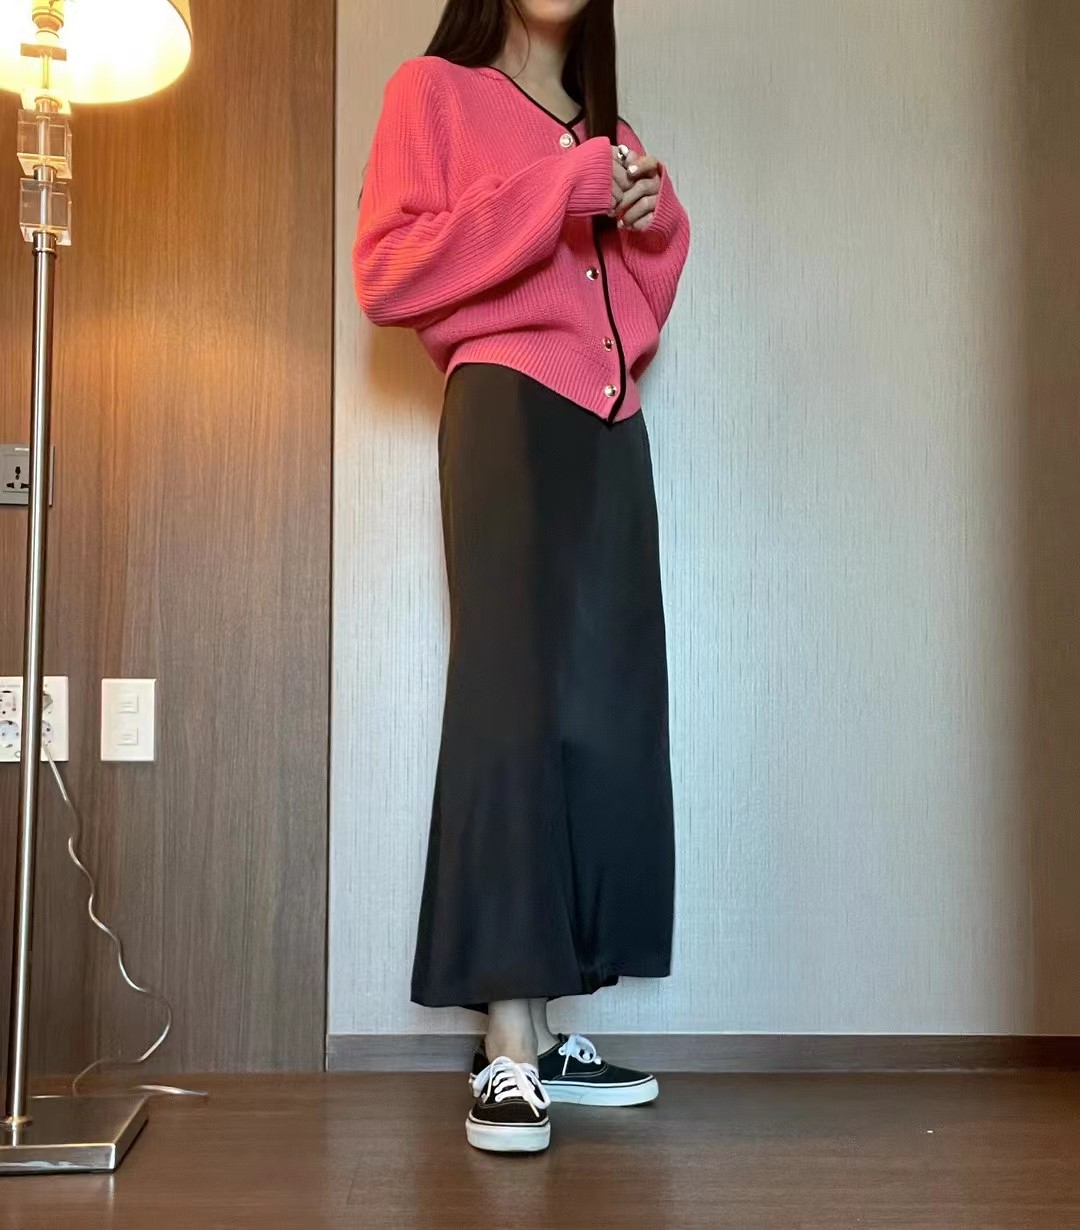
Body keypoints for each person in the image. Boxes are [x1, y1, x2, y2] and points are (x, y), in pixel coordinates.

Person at [353, 0, 690, 1155]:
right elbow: (389, 271)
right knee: (510, 704)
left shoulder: (608, 130)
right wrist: (561, 191)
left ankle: (545, 1031)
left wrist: (647, 220)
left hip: (610, 425)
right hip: (505, 405)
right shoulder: (431, 94)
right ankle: (503, 1038)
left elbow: (633, 312)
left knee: (607, 714)